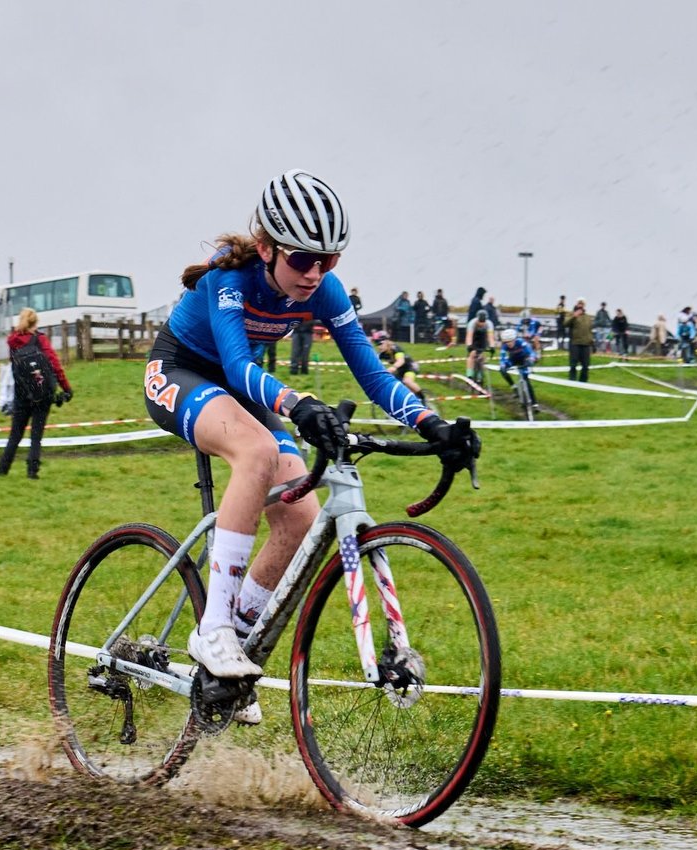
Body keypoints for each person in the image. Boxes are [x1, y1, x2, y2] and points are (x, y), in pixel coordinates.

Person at [144, 169, 481, 706]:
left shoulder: (324, 290)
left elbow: (372, 374)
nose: (315, 272)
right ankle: (213, 631)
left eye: (329, 260)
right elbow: (233, 361)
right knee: (255, 454)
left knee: (300, 517)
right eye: (303, 259)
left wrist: (429, 422)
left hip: (240, 387)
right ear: (267, 247)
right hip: (180, 373)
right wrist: (298, 405)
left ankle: (236, 643)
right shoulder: (227, 281)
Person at [0, 308, 72, 478]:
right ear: (36, 323)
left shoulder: (13, 341)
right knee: (36, 435)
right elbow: (54, 364)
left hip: (21, 393)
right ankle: (32, 471)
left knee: (15, 435)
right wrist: (66, 387)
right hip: (42, 392)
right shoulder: (40, 340)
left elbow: (16, 367)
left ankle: (2, 470)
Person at [376, 331, 430, 411]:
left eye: (381, 344)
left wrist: (393, 367)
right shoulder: (382, 354)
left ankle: (423, 398)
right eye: (377, 344)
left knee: (407, 381)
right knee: (392, 384)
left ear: (387, 342)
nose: (379, 346)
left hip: (410, 367)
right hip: (400, 370)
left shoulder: (395, 348)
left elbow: (401, 361)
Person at [497, 326, 539, 412]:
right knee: (502, 370)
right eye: (506, 342)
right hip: (513, 360)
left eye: (510, 341)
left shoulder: (521, 342)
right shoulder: (505, 346)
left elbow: (531, 352)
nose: (509, 344)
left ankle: (534, 403)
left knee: (526, 379)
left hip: (524, 359)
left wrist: (531, 359)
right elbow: (502, 358)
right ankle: (514, 387)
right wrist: (503, 365)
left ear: (515, 339)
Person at [464, 309, 495, 385]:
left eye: (483, 322)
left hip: (483, 336)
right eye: (480, 321)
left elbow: (490, 337)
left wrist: (492, 347)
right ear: (477, 319)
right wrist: (469, 346)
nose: (481, 323)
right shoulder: (472, 323)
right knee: (472, 354)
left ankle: (480, 376)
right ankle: (469, 375)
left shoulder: (489, 324)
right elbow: (469, 336)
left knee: (482, 355)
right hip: (474, 335)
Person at [566, 299, 594, 381]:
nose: (580, 305)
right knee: (573, 364)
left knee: (586, 365)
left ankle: (583, 381)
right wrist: (574, 316)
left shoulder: (588, 317)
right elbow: (565, 323)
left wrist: (592, 342)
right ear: (576, 304)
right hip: (575, 343)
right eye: (579, 303)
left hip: (586, 344)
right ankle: (572, 380)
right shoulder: (571, 314)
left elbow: (589, 330)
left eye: (582, 303)